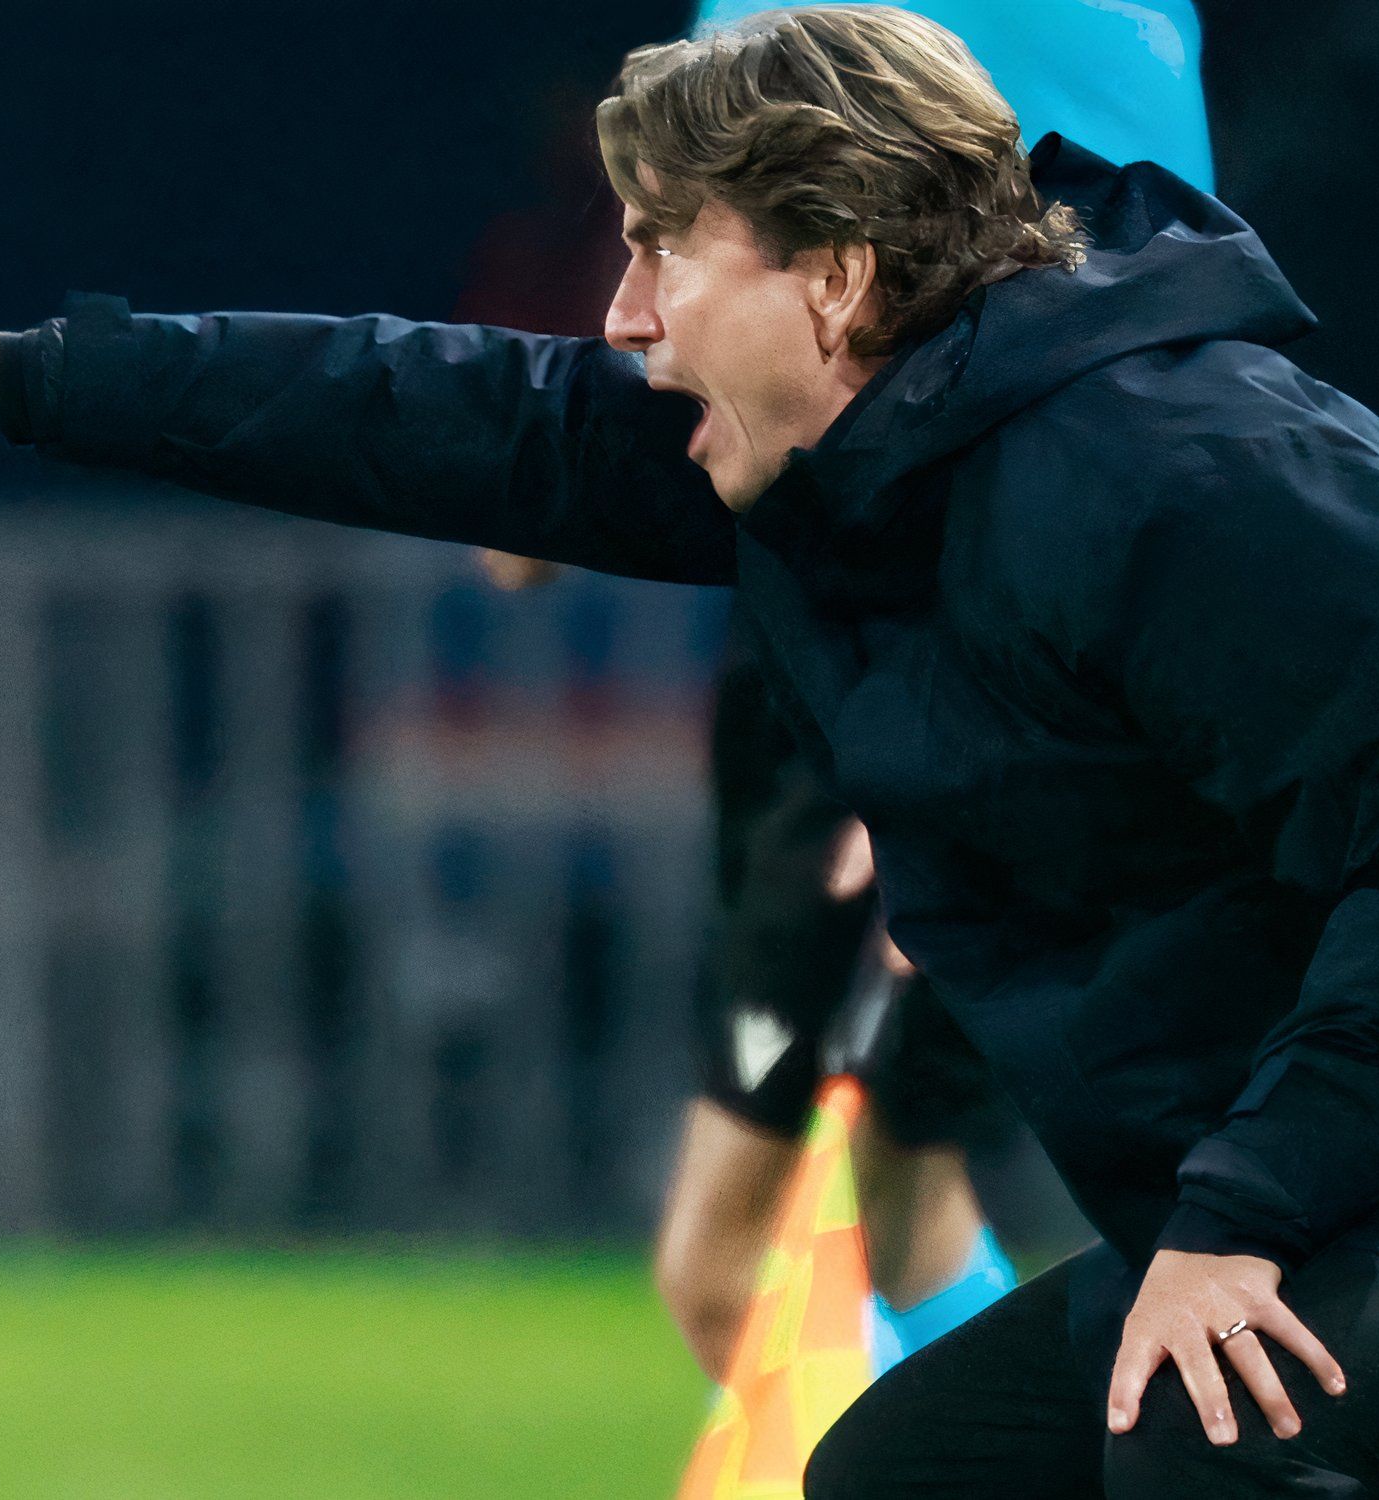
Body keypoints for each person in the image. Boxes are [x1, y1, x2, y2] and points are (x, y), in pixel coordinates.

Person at [0, 8, 1379, 1492]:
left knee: (1084, 1468)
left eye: (664, 252)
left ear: (846, 278)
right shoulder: (832, 447)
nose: (619, 313)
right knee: (921, 1468)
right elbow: (409, 405)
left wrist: (1244, 1222)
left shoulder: (1187, 470)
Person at [473, 0, 1217, 1381]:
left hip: (928, 644)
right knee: (896, 1214)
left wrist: (945, 747)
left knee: (733, 1267)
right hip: (851, 632)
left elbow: (1084, 328)